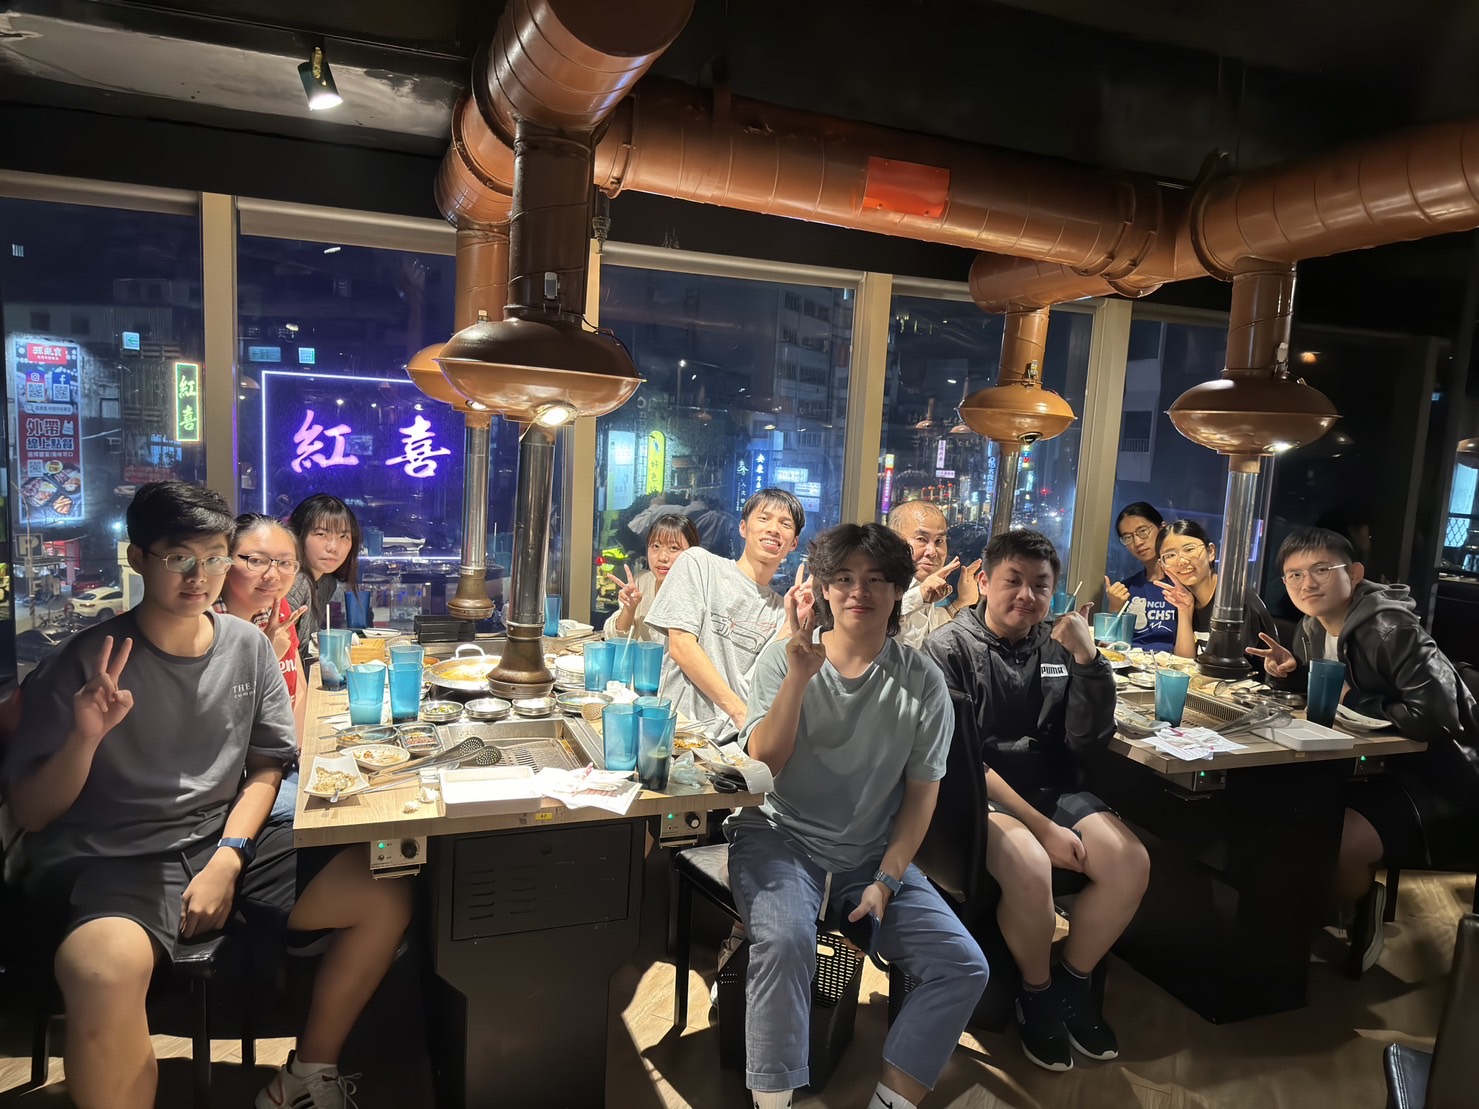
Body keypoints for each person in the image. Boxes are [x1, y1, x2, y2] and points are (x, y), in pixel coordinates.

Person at [0, 481, 410, 1109]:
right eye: (178, 557)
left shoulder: (248, 647)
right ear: (138, 559)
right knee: (98, 972)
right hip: (120, 859)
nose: (200, 577)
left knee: (382, 892)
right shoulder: (88, 661)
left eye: (215, 557)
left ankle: (306, 1074)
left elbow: (267, 766)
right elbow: (31, 812)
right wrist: (84, 739)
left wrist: (229, 856)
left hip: (221, 840)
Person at [728, 523, 987, 1109]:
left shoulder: (923, 682)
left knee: (963, 964)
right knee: (786, 939)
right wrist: (799, 676)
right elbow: (765, 763)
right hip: (778, 836)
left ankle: (892, 1100)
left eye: (875, 579)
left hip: (870, 853)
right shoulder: (785, 658)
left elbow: (921, 795)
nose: (858, 591)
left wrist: (888, 878)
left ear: (898, 589)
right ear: (824, 588)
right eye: (843, 578)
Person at [925, 528, 1148, 1073]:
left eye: (1040, 585)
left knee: (1129, 862)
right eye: (1013, 581)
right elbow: (962, 760)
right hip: (974, 798)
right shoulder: (947, 648)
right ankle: (1037, 989)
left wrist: (1088, 658)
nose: (1026, 595)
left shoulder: (1057, 645)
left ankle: (1073, 981)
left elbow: (1087, 741)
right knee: (1029, 863)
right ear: (983, 581)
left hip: (1052, 789)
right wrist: (1043, 829)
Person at [1249, 526, 1479, 975]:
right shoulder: (1311, 629)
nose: (1306, 583)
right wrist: (1293, 675)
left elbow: (1438, 716)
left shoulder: (1391, 628)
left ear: (1354, 574)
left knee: (1333, 841)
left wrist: (1352, 699)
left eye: (1321, 570)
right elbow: (1332, 692)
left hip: (1436, 777)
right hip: (1366, 766)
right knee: (1282, 816)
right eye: (1294, 575)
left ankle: (1313, 928)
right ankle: (1324, 913)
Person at [645, 488, 809, 740]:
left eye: (785, 524)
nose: (773, 529)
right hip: (675, 734)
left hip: (734, 746)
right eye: (764, 518)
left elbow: (762, 681)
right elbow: (681, 646)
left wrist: (791, 624)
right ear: (743, 528)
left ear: (794, 543)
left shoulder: (783, 610)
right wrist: (739, 713)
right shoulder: (699, 564)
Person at [216, 513, 310, 824]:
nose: (273, 575)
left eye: (285, 563)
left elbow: (298, 687)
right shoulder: (208, 626)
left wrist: (304, 755)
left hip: (284, 760)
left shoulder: (277, 610)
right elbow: (221, 727)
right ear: (225, 561)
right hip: (240, 778)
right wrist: (265, 655)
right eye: (256, 561)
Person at [1155, 519, 1278, 667]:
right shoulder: (1186, 600)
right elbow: (1183, 665)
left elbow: (1230, 670)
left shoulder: (1234, 601)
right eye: (1170, 555)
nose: (1181, 561)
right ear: (1163, 566)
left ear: (1211, 552)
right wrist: (1184, 611)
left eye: (1189, 549)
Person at [886, 499, 980, 649]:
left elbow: (932, 641)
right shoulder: (876, 583)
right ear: (893, 541)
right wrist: (920, 595)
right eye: (921, 539)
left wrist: (963, 602)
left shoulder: (935, 588)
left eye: (939, 541)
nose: (932, 552)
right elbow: (874, 621)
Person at [285, 494, 361, 669]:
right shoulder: (295, 582)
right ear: (298, 535)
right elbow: (282, 660)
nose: (333, 547)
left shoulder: (327, 582)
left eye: (344, 537)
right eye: (321, 534)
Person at [604, 512, 701, 643]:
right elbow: (615, 639)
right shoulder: (641, 582)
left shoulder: (698, 592)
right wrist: (629, 609)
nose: (662, 557)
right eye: (656, 546)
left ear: (693, 552)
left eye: (673, 548)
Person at [1103, 502, 1176, 650]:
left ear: (1163, 528)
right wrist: (1114, 608)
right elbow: (1108, 646)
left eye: (1142, 531)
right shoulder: (1127, 588)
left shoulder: (1183, 585)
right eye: (1127, 537)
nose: (1137, 542)